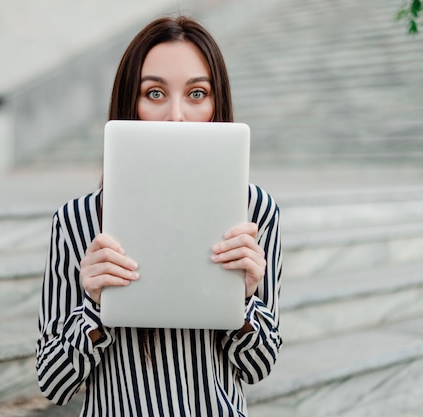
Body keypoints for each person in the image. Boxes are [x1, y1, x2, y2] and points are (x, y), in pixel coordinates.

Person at [36, 15, 282, 417]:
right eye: (154, 93)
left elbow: (258, 367)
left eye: (197, 93)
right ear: (129, 105)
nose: (176, 115)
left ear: (218, 104)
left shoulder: (254, 212)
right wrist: (94, 306)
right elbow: (53, 382)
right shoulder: (77, 220)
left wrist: (247, 299)